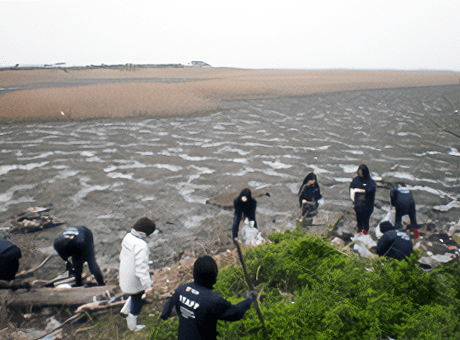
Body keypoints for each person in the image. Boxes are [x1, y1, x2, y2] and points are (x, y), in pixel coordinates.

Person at [160, 255, 257, 340]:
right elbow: (236, 313)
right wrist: (249, 299)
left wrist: (165, 316)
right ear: (214, 275)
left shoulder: (182, 289)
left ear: (195, 274)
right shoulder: (213, 300)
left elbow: (166, 310)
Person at [119, 217, 156, 332]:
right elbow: (141, 270)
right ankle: (132, 324)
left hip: (124, 274)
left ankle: (124, 310)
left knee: (134, 295)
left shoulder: (128, 236)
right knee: (137, 298)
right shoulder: (141, 245)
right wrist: (148, 286)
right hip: (133, 281)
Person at [349, 164, 377, 234]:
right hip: (365, 206)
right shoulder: (371, 183)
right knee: (364, 221)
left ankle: (361, 232)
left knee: (362, 220)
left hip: (361, 205)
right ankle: (363, 232)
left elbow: (352, 190)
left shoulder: (356, 180)